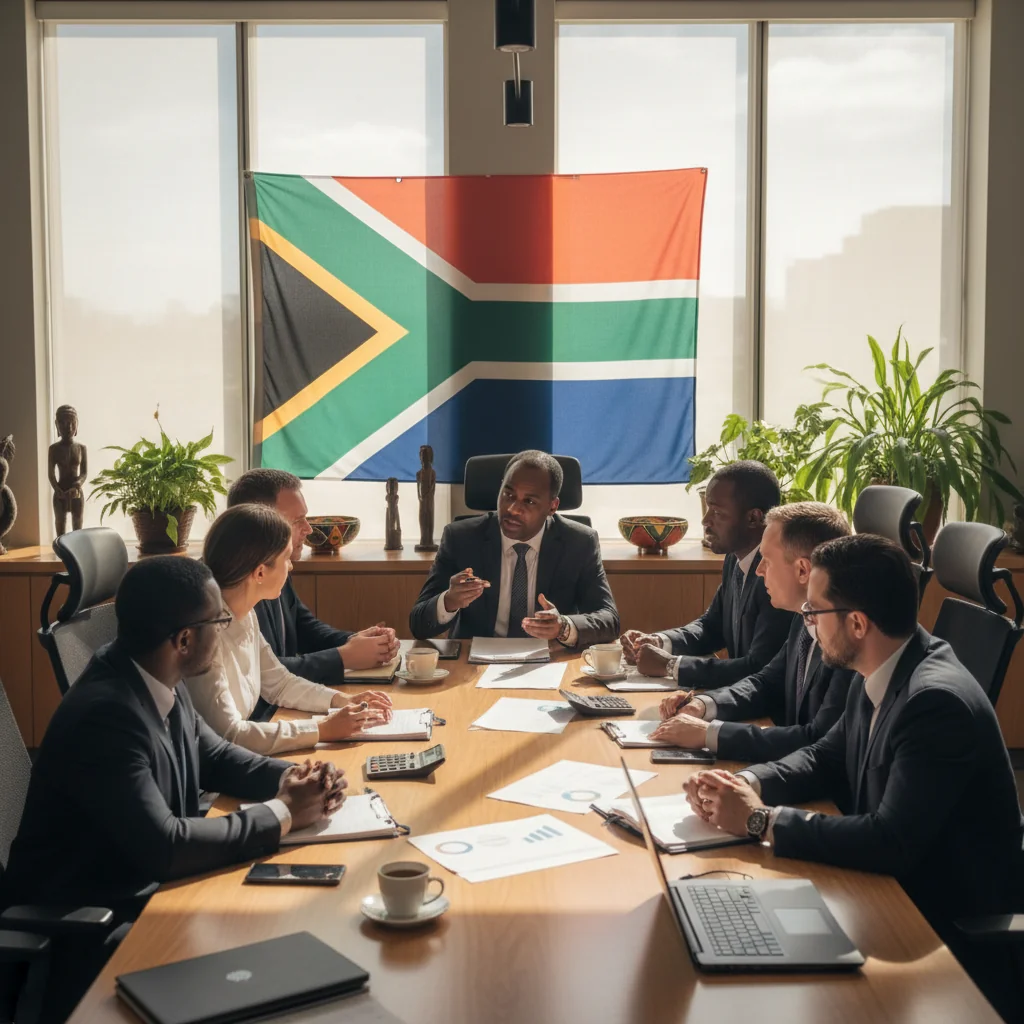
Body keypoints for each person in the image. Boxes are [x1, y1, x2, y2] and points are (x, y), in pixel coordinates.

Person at [682, 534, 1024, 1018]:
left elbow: (891, 841)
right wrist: (746, 785)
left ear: (857, 623)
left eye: (813, 613)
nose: (806, 625)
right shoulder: (885, 666)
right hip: (878, 891)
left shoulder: (934, 702)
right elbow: (824, 757)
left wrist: (760, 821)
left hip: (933, 926)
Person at [0, 557, 346, 1023]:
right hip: (102, 923)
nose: (224, 628)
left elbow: (215, 756)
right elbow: (165, 846)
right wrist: (283, 814)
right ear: (184, 640)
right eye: (218, 620)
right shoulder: (107, 715)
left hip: (159, 894)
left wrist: (290, 779)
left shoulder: (152, 671)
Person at [651, 501, 855, 762]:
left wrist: (711, 734)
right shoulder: (805, 616)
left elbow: (816, 740)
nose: (758, 571)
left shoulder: (846, 640)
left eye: (766, 561)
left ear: (802, 570)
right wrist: (703, 705)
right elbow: (767, 682)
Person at [185, 504, 392, 755]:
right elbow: (231, 735)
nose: (291, 567)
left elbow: (279, 683)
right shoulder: (206, 637)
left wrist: (340, 701)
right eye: (285, 558)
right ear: (260, 572)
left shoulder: (245, 614)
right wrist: (321, 729)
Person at [409, 450, 619, 646]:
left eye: (529, 501)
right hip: (473, 664)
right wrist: (448, 601)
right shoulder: (461, 538)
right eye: (508, 495)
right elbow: (418, 624)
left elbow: (609, 620)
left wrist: (563, 627)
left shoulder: (579, 543)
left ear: (552, 507)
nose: (513, 509)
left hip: (549, 661)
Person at [620, 461, 793, 687]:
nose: (705, 521)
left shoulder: (776, 576)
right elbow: (712, 627)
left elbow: (758, 668)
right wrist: (659, 641)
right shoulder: (735, 558)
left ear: (753, 518)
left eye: (717, 512)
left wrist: (671, 665)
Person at [226, 469, 399, 681]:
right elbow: (261, 673)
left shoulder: (280, 564)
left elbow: (304, 628)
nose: (308, 529)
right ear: (260, 522)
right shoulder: (227, 583)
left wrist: (357, 641)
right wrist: (343, 657)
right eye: (298, 520)